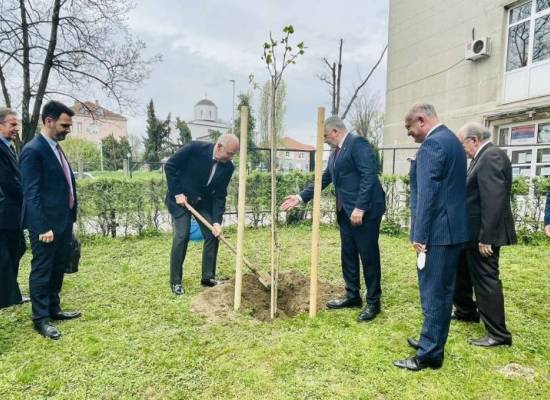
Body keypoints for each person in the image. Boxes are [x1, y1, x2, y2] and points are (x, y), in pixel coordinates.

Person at [281, 116, 386, 322]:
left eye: (326, 136)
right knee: (348, 253)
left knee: (368, 255)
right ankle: (352, 294)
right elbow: (326, 177)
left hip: (364, 212)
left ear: (336, 132)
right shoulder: (335, 152)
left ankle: (373, 302)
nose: (325, 140)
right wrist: (301, 197)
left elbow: (369, 175)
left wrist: (360, 207)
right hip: (345, 212)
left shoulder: (357, 144)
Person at [394, 104, 468, 371]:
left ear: (422, 121)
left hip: (437, 234)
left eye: (409, 128)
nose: (409, 134)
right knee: (443, 291)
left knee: (434, 293)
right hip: (453, 231)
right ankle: (431, 341)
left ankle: (429, 356)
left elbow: (428, 196)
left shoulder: (432, 146)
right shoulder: (451, 141)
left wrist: (420, 236)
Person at [20, 100, 80, 340]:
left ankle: (54, 309)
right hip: (45, 226)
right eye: (65, 125)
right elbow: (31, 193)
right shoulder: (33, 150)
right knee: (43, 269)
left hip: (63, 221)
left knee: (57, 268)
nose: (68, 129)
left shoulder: (55, 146)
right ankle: (40, 319)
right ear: (48, 121)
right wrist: (42, 226)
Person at [453, 122, 515, 347]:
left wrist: (486, 237)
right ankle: (466, 312)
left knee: (485, 279)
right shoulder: (482, 157)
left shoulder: (491, 156)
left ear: (474, 140)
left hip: (483, 236)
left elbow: (494, 199)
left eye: (462, 144)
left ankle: (498, 334)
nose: (463, 149)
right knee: (462, 271)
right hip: (471, 233)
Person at [164, 134, 239, 295]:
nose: (231, 157)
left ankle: (208, 278)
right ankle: (175, 281)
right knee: (182, 235)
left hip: (201, 202)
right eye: (230, 153)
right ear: (219, 147)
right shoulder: (194, 149)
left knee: (213, 234)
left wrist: (217, 221)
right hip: (180, 199)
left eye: (233, 154)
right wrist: (177, 193)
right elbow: (169, 166)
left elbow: (220, 195)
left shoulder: (228, 167)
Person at [0, 108, 26, 308]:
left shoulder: (8, 147)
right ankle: (9, 297)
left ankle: (10, 295)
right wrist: (29, 197)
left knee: (15, 249)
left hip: (12, 212)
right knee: (8, 253)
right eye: (12, 124)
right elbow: (9, 182)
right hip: (5, 213)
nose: (16, 128)